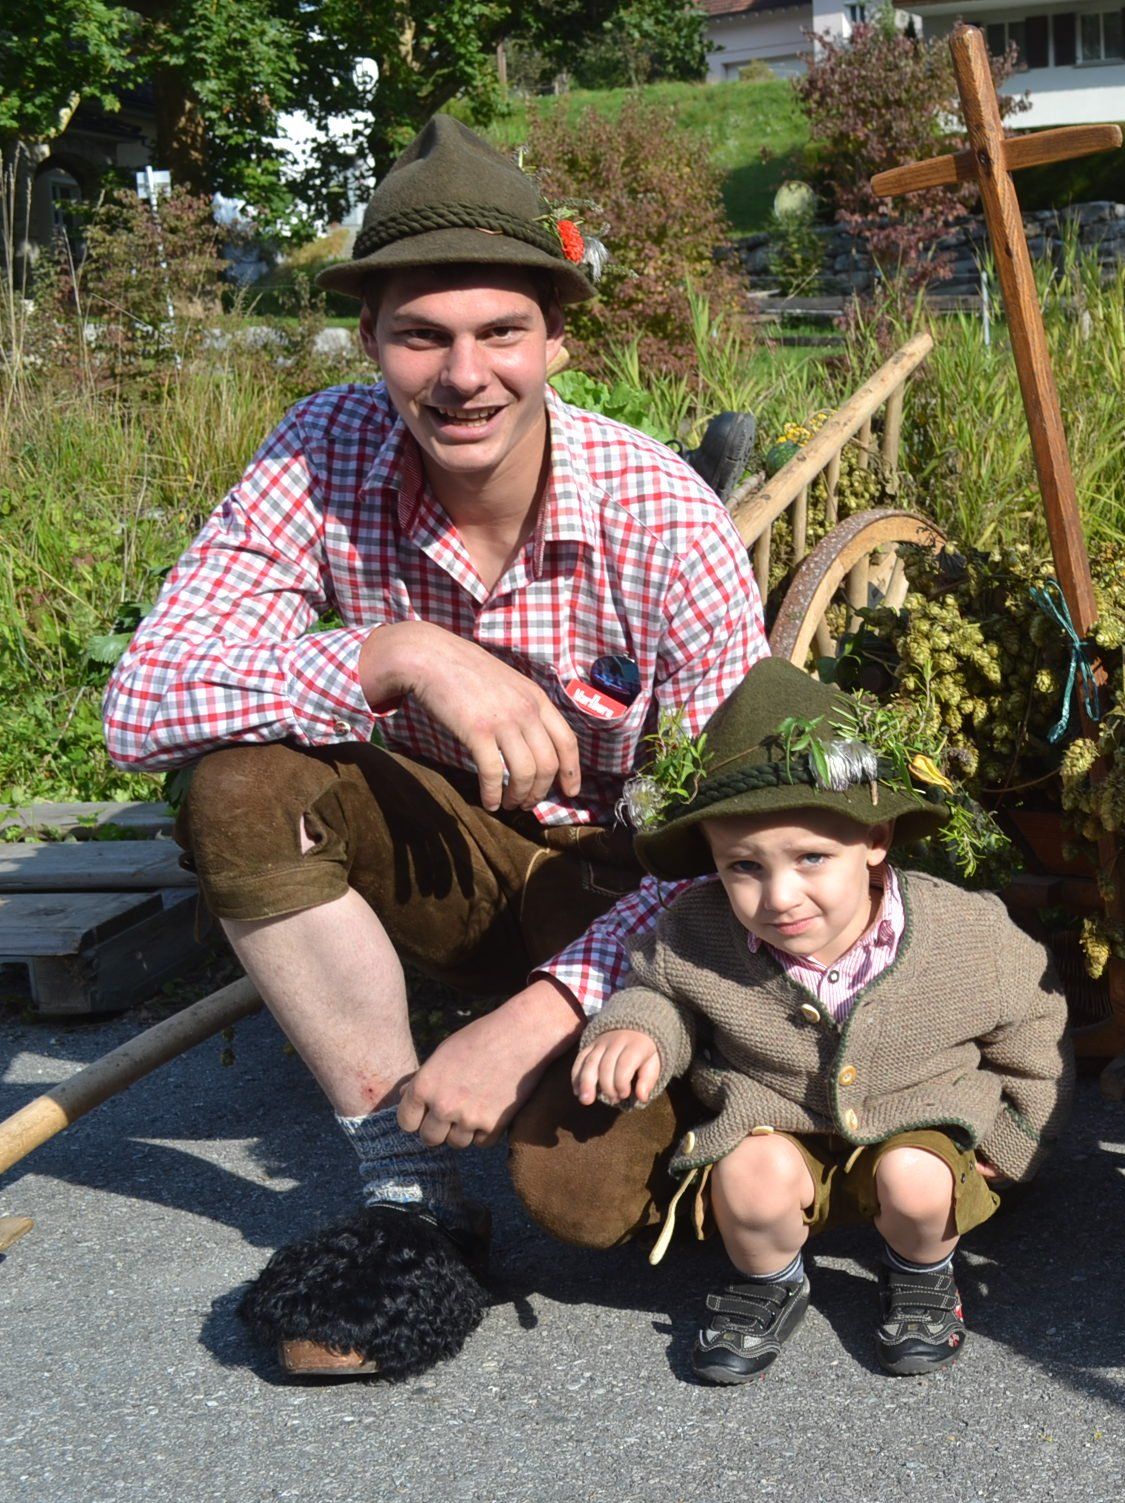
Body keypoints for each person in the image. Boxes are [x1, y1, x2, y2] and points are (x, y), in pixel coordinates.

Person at [100, 115, 769, 1379]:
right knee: (240, 787)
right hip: (439, 858)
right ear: (370, 341)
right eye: (422, 336)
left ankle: (538, 1078)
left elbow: (746, 831)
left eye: (500, 332)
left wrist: (538, 1017)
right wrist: (394, 652)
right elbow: (139, 705)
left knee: (584, 1204)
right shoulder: (321, 452)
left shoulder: (663, 517)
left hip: (626, 896)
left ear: (558, 338)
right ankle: (408, 1191)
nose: (465, 377)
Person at [567, 658, 1072, 1382]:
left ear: (876, 840)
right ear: (713, 859)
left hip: (916, 1118)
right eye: (744, 867)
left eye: (811, 857)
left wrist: (1017, 1135)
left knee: (918, 1184)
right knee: (747, 1182)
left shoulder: (967, 935)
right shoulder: (696, 930)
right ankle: (769, 1281)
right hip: (775, 1123)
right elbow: (662, 991)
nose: (779, 897)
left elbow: (1034, 1024)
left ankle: (920, 1269)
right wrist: (636, 1028)